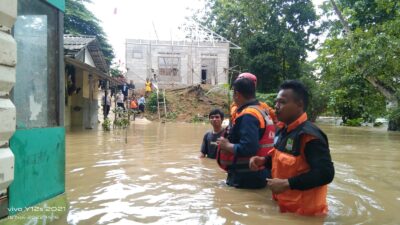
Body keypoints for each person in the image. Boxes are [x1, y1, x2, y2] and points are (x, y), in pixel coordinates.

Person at [249, 80, 335, 216]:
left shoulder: (310, 136)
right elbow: (282, 160)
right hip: (285, 209)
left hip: (306, 215)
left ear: (299, 104)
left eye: (282, 102)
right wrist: (264, 161)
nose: (276, 106)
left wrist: (287, 183)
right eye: (276, 102)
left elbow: (326, 174)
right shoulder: (283, 129)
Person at [216, 78, 275, 189]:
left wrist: (227, 145)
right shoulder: (262, 111)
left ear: (237, 94)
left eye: (233, 94)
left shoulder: (248, 115)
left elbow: (249, 147)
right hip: (260, 172)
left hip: (247, 177)